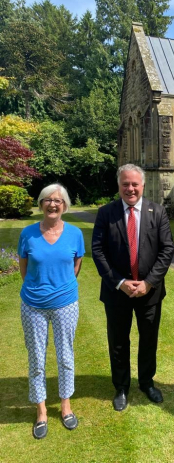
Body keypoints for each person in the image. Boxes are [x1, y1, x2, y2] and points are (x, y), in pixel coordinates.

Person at [92, 164, 174, 411]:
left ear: (143, 185)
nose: (130, 188)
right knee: (118, 340)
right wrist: (119, 282)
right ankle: (121, 387)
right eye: (125, 184)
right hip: (117, 291)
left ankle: (147, 383)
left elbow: (167, 249)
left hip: (149, 292)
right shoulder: (106, 213)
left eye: (134, 184)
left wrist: (149, 283)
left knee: (149, 339)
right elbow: (98, 250)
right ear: (119, 185)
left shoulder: (157, 212)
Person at [18, 184, 85, 440]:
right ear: (41, 204)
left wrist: (60, 287)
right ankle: (41, 410)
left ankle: (66, 406)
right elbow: (24, 268)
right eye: (47, 200)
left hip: (66, 303)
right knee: (36, 357)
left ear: (65, 205)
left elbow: (75, 266)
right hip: (33, 304)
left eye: (58, 200)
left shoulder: (75, 234)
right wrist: (38, 288)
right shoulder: (27, 234)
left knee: (66, 355)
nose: (53, 204)